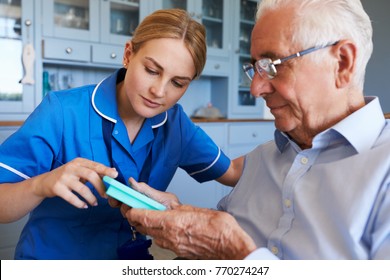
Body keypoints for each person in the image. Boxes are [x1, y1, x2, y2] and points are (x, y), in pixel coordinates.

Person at [123, 0, 390, 260]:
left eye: (272, 66)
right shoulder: (263, 158)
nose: (255, 89)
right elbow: (220, 236)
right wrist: (182, 218)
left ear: (342, 62)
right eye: (257, 68)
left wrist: (238, 254)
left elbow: (229, 244)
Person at [0, 9, 244, 260]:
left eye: (178, 83)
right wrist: (41, 184)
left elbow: (234, 172)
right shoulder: (61, 111)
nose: (159, 91)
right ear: (128, 55)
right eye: (152, 70)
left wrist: (287, 138)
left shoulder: (176, 124)